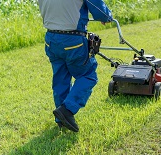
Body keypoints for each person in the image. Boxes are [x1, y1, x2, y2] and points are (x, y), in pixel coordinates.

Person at [38, 0, 113, 132]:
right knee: (88, 76)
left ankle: (61, 120)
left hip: (51, 38)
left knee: (61, 79)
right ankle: (67, 110)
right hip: (73, 40)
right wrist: (107, 17)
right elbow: (99, 10)